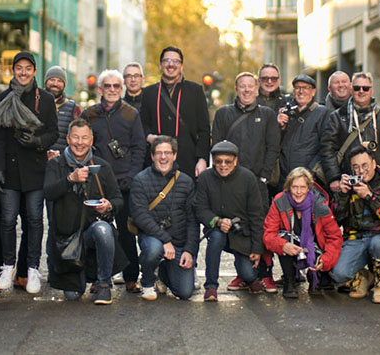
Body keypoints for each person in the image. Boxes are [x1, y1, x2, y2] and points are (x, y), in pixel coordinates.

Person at [0, 51, 59, 293]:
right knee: (7, 221)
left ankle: (31, 269)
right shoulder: (0, 99)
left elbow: (54, 133)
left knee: (35, 220)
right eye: (19, 67)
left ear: (35, 71)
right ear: (13, 71)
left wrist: (37, 142)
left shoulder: (45, 99)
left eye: (28, 68)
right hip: (9, 171)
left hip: (35, 171)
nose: (23, 72)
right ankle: (7, 266)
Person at [43, 118, 127, 304]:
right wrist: (69, 179)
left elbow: (118, 199)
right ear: (67, 139)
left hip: (91, 232)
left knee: (103, 229)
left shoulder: (101, 166)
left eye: (84, 138)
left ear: (91, 141)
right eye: (75, 137)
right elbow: (48, 193)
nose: (79, 143)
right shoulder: (56, 164)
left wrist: (108, 205)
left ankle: (104, 284)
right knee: (73, 296)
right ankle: (82, 279)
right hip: (67, 239)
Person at [211, 72, 281, 292]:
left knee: (260, 226)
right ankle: (244, 273)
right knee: (233, 226)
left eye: (251, 86)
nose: (247, 90)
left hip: (259, 181)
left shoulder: (268, 115)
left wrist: (264, 176)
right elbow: (216, 146)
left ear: (257, 87)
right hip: (229, 182)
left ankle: (265, 273)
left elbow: (273, 148)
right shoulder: (223, 114)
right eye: (243, 86)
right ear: (237, 88)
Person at [82, 69, 147, 293]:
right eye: (107, 86)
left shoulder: (131, 114)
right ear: (100, 89)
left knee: (127, 231)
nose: (111, 90)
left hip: (124, 182)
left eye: (116, 86)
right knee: (98, 230)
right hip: (96, 182)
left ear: (122, 88)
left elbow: (139, 147)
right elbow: (81, 146)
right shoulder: (88, 114)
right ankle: (99, 278)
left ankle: (131, 277)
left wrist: (132, 176)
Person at [328, 146, 380, 304]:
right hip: (356, 238)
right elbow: (336, 218)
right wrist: (342, 194)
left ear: (374, 164)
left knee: (379, 244)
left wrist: (369, 196)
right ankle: (364, 277)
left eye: (364, 165)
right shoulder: (350, 187)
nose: (361, 171)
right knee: (337, 273)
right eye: (356, 167)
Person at [195, 141, 266, 300]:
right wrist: (217, 221)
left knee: (248, 273)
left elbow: (256, 215)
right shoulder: (205, 177)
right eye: (218, 161)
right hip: (217, 229)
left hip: (242, 233)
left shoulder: (248, 178)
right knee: (216, 239)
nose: (223, 165)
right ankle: (211, 286)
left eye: (228, 161)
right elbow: (200, 208)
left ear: (235, 161)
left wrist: (257, 248)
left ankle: (250, 278)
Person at [130, 136, 198, 300]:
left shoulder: (186, 181)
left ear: (174, 155)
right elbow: (140, 216)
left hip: (179, 242)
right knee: (154, 250)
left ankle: (163, 273)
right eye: (158, 153)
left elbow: (192, 221)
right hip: (153, 238)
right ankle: (147, 281)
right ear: (152, 156)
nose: (163, 157)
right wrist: (165, 240)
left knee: (184, 292)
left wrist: (189, 251)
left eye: (167, 152)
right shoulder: (140, 180)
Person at [263, 167, 342, 298]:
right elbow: (268, 233)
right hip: (292, 245)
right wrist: (282, 245)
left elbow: (334, 236)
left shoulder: (320, 204)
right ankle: (290, 280)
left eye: (302, 187)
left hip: (315, 247)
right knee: (283, 237)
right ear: (288, 187)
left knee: (326, 272)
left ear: (308, 188)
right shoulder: (279, 201)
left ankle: (315, 276)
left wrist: (326, 259)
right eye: (294, 187)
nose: (298, 192)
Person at [140, 46, 211, 176]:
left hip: (187, 163)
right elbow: (142, 124)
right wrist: (149, 137)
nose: (171, 64)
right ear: (161, 65)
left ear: (181, 66)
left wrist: (202, 159)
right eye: (167, 60)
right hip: (156, 163)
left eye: (175, 61)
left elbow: (204, 130)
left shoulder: (195, 91)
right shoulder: (148, 93)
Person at [321, 72, 380, 190]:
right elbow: (327, 149)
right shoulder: (338, 117)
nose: (361, 91)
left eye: (365, 88)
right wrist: (334, 177)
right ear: (351, 90)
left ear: (372, 90)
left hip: (378, 181)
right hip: (348, 180)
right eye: (356, 88)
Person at [278, 74, 330, 186]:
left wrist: (309, 172)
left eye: (305, 88)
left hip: (308, 180)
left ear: (313, 92)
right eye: (297, 87)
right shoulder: (286, 112)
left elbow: (326, 147)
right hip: (285, 178)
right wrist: (280, 127)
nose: (301, 91)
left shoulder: (322, 113)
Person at [44, 65, 82, 155]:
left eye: (59, 81)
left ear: (64, 85)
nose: (55, 84)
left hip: (62, 164)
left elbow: (78, 137)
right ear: (46, 82)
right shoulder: (35, 103)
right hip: (38, 162)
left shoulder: (73, 108)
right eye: (52, 80)